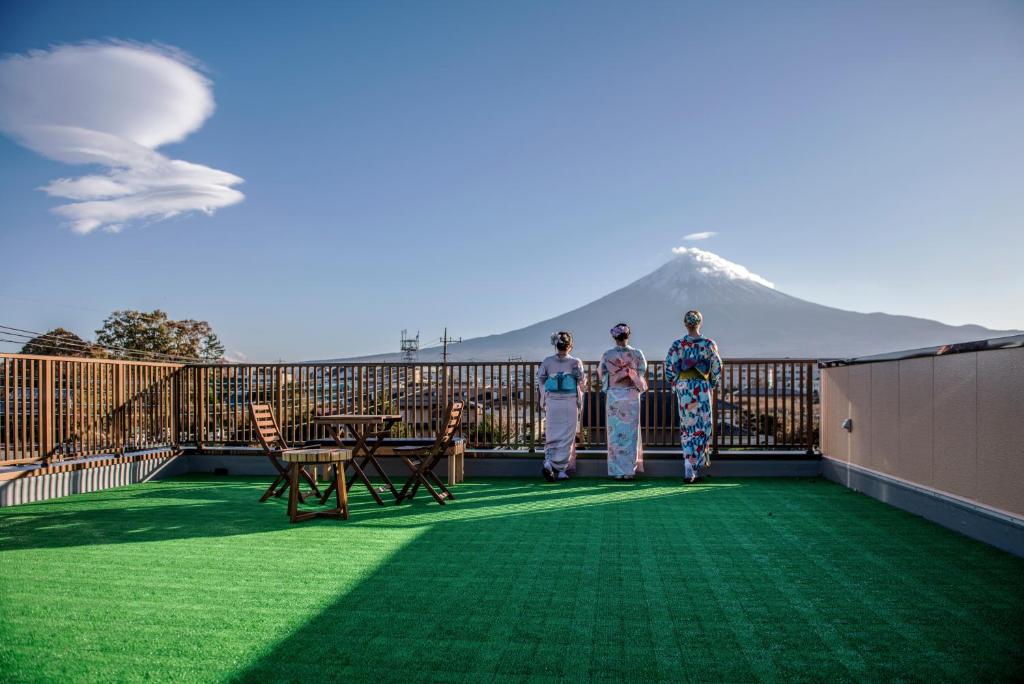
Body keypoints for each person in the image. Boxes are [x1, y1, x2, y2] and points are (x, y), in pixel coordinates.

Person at [665, 310, 722, 483]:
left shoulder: (678, 345)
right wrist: (710, 383)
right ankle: (695, 465)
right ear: (700, 322)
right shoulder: (709, 344)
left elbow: (670, 368)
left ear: (685, 323)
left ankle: (688, 466)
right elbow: (716, 367)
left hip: (684, 389)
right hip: (702, 388)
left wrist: (676, 382)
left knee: (687, 426)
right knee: (703, 425)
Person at [598, 323, 647, 480]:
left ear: (614, 336)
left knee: (615, 433)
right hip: (631, 394)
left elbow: (602, 373)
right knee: (630, 433)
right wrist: (629, 373)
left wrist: (616, 375)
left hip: (614, 394)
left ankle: (616, 471)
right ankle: (629, 470)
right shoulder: (637, 353)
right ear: (628, 335)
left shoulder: (607, 355)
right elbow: (641, 371)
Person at [536, 331, 585, 481]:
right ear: (570, 346)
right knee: (567, 436)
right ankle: (562, 470)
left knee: (552, 433)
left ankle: (549, 463)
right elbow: (581, 380)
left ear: (556, 345)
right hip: (569, 400)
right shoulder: (575, 362)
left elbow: (541, 379)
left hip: (553, 401)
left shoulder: (547, 361)